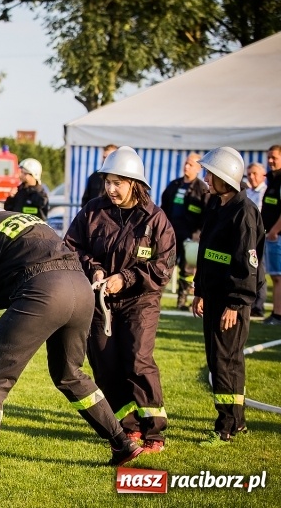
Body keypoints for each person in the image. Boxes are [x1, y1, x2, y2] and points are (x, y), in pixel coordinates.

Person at [0, 182, 143, 477]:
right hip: (80, 289)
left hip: (44, 291)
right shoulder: (19, 220)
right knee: (70, 375)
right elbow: (8, 283)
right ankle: (122, 443)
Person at [64, 146, 175, 454]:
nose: (110, 189)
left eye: (117, 183)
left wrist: (124, 279)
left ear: (133, 184)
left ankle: (154, 431)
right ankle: (129, 427)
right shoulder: (92, 211)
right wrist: (95, 269)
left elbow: (163, 268)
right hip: (100, 302)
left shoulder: (156, 219)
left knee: (138, 360)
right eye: (107, 182)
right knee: (104, 362)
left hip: (141, 302)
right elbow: (70, 247)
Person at [191, 147, 263, 446]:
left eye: (211, 174)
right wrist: (199, 291)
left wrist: (235, 303)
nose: (206, 179)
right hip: (215, 298)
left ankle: (226, 427)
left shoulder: (244, 213)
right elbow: (208, 255)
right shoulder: (219, 206)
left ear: (225, 179)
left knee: (225, 362)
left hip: (231, 303)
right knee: (221, 360)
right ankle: (239, 421)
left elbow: (248, 267)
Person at [159, 153, 209, 310]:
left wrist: (199, 235)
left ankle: (182, 301)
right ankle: (156, 296)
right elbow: (163, 208)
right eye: (186, 163)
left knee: (187, 269)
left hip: (191, 236)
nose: (187, 166)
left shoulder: (202, 189)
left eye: (191, 165)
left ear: (199, 169)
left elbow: (206, 215)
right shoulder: (174, 185)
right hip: (171, 234)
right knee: (165, 266)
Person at [260, 145, 281, 325]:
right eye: (269, 157)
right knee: (275, 276)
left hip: (277, 235)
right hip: (272, 234)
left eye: (274, 157)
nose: (270, 161)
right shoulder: (273, 179)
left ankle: (278, 314)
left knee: (277, 276)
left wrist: (274, 230)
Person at [246, 162, 268, 318]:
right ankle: (249, 302)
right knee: (250, 268)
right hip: (248, 236)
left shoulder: (265, 193)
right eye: (249, 174)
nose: (252, 177)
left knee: (260, 269)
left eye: (254, 174)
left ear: (262, 175)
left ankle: (258, 306)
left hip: (261, 235)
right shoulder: (246, 192)